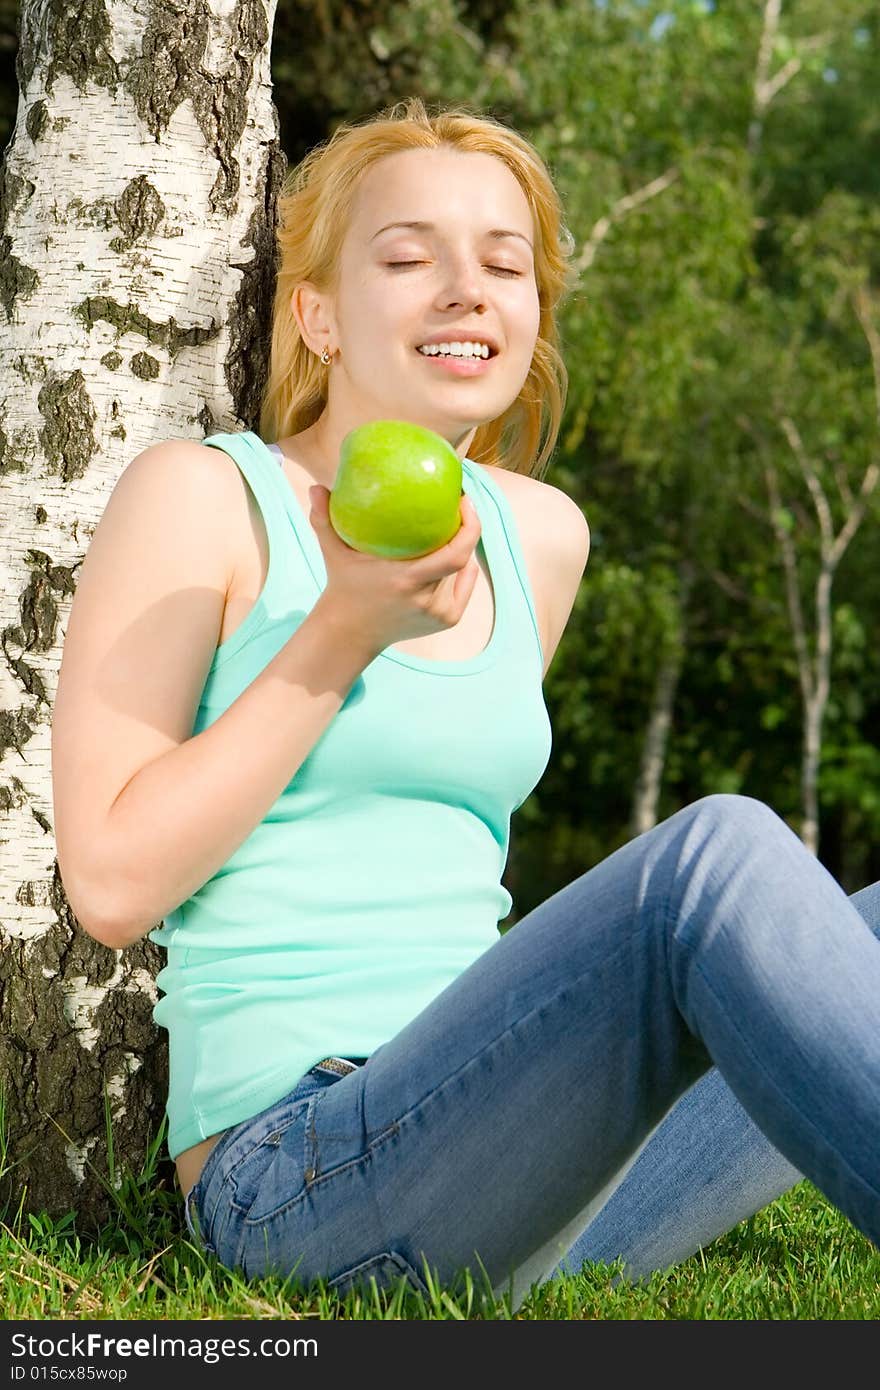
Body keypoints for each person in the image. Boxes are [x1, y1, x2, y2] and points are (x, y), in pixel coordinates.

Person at [50, 96, 880, 1313]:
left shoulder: (539, 535)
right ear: (315, 312)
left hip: (520, 1170)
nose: (467, 289)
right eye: (408, 256)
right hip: (299, 1168)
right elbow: (113, 887)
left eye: (503, 263)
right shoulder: (205, 500)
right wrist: (337, 637)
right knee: (712, 858)